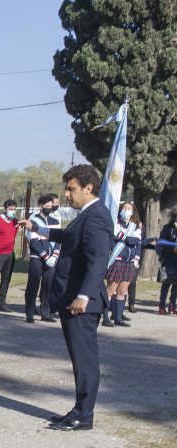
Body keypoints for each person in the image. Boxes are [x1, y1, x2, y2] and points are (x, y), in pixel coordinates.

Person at [22, 164, 112, 432]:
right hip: (73, 298)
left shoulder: (96, 216)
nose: (66, 194)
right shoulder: (86, 215)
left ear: (88, 188)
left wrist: (84, 295)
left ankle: (84, 416)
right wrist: (41, 230)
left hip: (81, 301)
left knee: (85, 359)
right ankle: (79, 409)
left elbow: (98, 260)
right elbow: (72, 237)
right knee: (78, 358)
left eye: (71, 189)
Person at [102, 201, 142, 328]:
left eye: (129, 208)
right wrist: (126, 238)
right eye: (124, 208)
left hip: (129, 262)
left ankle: (118, 318)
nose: (126, 210)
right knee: (111, 290)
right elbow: (114, 237)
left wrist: (123, 237)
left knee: (123, 290)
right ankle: (105, 318)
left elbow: (135, 240)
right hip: (117, 260)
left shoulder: (135, 226)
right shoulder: (115, 223)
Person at [24, 194, 60, 323]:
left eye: (52, 206)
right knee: (33, 285)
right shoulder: (34, 221)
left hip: (51, 258)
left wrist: (55, 255)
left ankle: (45, 313)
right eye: (47, 206)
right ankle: (29, 313)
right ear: (41, 206)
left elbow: (58, 241)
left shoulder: (54, 222)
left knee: (48, 287)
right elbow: (34, 241)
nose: (50, 208)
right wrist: (45, 256)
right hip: (37, 257)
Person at [157, 208, 177, 315]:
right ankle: (161, 306)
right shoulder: (167, 228)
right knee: (166, 284)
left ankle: (172, 305)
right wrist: (172, 247)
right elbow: (162, 242)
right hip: (169, 259)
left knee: (176, 285)